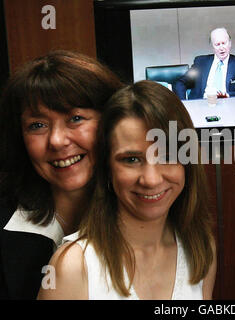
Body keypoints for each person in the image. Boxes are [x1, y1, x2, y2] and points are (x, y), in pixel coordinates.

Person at [37, 81, 217, 300]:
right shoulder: (71, 267)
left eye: (167, 155)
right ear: (107, 169)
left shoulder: (201, 249)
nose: (151, 179)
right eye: (131, 159)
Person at [0, 50, 123, 299]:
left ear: (112, 122)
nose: (56, 141)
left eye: (75, 118)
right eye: (37, 125)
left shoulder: (144, 214)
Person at [174, 27, 235, 100]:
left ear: (230, 43)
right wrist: (183, 104)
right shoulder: (200, 63)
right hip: (201, 105)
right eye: (217, 44)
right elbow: (180, 83)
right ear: (212, 47)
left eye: (224, 43)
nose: (221, 48)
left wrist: (227, 95)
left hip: (228, 104)